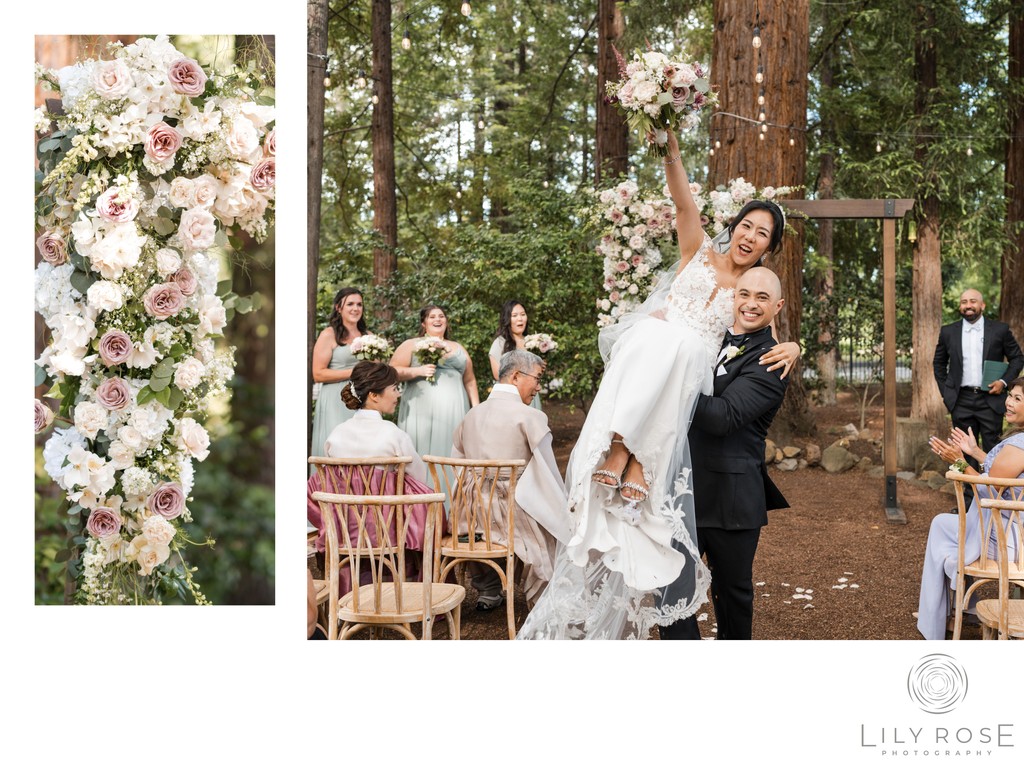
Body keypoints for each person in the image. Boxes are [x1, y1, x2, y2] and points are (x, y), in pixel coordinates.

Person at [517, 128, 799, 640]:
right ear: (733, 227)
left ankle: (636, 459)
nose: (750, 235)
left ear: (768, 250)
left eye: (763, 234)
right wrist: (669, 145)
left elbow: (768, 339)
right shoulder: (697, 253)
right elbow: (683, 201)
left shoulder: (752, 294)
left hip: (687, 372)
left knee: (677, 349)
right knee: (656, 336)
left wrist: (795, 347)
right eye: (746, 225)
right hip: (663, 353)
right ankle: (622, 452)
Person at [659, 267, 790, 640]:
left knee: (731, 597)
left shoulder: (772, 360)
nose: (750, 304)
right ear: (733, 296)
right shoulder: (708, 338)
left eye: (762, 298)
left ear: (777, 306)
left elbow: (724, 417)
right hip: (682, 491)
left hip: (731, 502)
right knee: (670, 591)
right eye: (744, 294)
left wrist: (669, 389)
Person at [451, 349, 568, 610]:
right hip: (512, 515)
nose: (538, 387)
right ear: (516, 376)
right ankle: (544, 594)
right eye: (537, 378)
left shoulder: (471, 415)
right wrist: (564, 510)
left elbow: (457, 465)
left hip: (469, 518)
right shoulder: (531, 417)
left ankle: (488, 589)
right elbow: (548, 475)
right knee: (551, 517)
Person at [306, 361, 435, 594]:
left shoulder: (336, 435)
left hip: (345, 530)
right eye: (394, 388)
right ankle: (410, 588)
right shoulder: (393, 434)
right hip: (387, 531)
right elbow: (419, 478)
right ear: (374, 395)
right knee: (426, 502)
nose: (397, 394)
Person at [918, 378, 1024, 639]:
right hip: (1012, 530)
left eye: (1017, 399)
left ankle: (949, 610)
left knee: (943, 531)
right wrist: (975, 451)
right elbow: (1002, 472)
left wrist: (956, 461)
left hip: (1004, 540)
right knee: (942, 524)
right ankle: (957, 604)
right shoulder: (1019, 441)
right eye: (1010, 395)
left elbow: (989, 487)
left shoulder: (1020, 445)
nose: (1008, 402)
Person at [933, 289, 1024, 470]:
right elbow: (938, 364)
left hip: (990, 399)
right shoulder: (948, 332)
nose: (968, 305)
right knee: (964, 452)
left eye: (973, 301)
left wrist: (1003, 382)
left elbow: (1017, 359)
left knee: (994, 449)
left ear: (982, 305)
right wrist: (948, 394)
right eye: (964, 302)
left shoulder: (1000, 330)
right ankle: (968, 498)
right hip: (961, 400)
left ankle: (993, 494)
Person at [390, 304, 480, 463]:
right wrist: (418, 371)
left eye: (441, 316)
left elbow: (470, 380)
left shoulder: (459, 347)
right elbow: (391, 372)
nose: (438, 319)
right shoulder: (411, 344)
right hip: (420, 410)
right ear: (423, 323)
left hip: (454, 411)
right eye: (432, 317)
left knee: (452, 450)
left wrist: (476, 409)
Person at [310, 287, 367, 460]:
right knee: (337, 447)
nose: (355, 308)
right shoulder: (330, 334)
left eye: (359, 304)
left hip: (363, 399)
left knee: (361, 448)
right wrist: (354, 372)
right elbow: (318, 374)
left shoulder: (368, 336)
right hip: (335, 398)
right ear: (338, 308)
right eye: (350, 304)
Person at [489, 300, 543, 410]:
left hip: (530, 393)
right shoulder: (500, 343)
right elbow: (497, 374)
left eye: (523, 314)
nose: (520, 318)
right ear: (507, 319)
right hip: (511, 396)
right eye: (515, 315)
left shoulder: (531, 342)